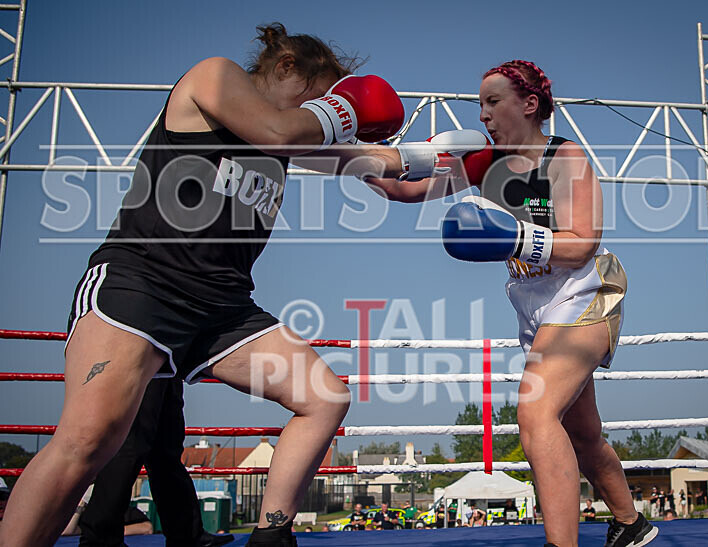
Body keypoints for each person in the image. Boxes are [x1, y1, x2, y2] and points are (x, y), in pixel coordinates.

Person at [0, 22, 405, 547]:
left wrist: (460, 163)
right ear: (285, 67)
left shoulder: (286, 141)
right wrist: (348, 108)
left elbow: (392, 178)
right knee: (88, 438)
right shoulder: (212, 78)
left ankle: (271, 536)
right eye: (319, 95)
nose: (321, 112)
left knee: (324, 396)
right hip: (143, 285)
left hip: (224, 308)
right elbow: (281, 131)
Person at [365, 59, 658, 547]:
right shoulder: (484, 163)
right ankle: (631, 523)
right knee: (583, 435)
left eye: (493, 102)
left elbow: (583, 242)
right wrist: (364, 162)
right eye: (480, 104)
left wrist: (515, 237)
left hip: (585, 292)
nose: (483, 115)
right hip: (534, 306)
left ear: (529, 104)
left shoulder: (566, 158)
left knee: (535, 413)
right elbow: (407, 190)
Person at [78, 377, 233, 547]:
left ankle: (187, 535)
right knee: (130, 446)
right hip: (145, 361)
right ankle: (100, 538)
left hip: (168, 363)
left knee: (166, 452)